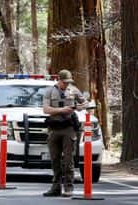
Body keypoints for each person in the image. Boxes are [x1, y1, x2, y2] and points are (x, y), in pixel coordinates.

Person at [42, 69, 87, 197]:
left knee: (68, 160)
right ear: (59, 80)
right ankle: (55, 187)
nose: (66, 84)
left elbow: (85, 103)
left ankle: (68, 187)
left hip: (69, 129)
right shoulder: (49, 91)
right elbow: (45, 109)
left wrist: (78, 107)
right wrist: (62, 110)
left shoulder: (73, 90)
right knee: (55, 159)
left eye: (68, 82)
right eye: (64, 82)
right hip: (54, 129)